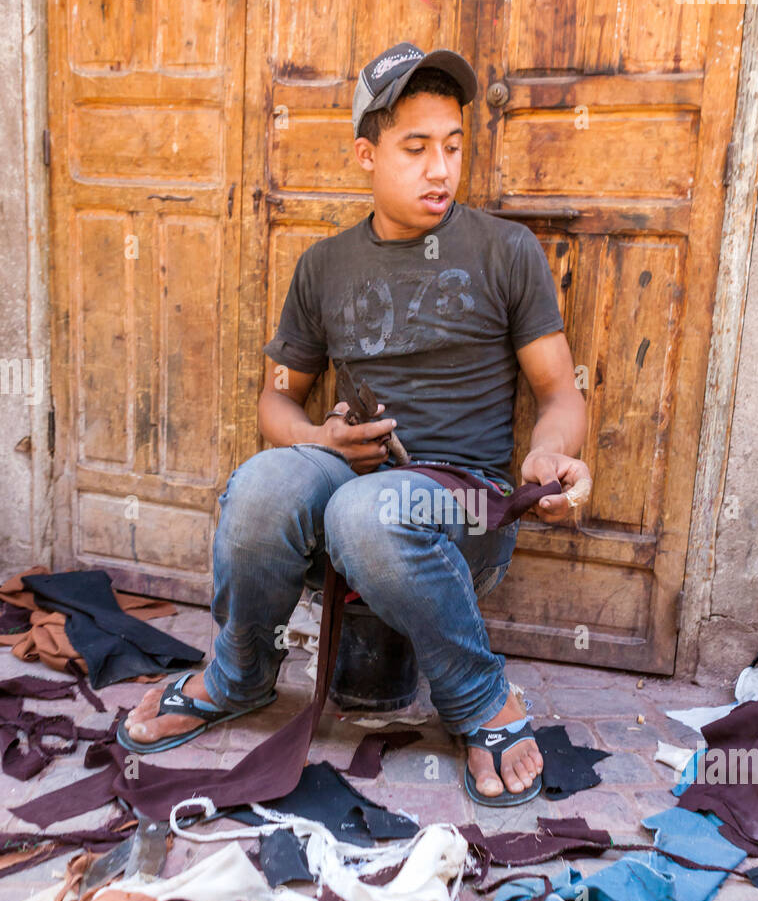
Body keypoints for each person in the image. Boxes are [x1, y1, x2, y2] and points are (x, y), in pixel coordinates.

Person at [119, 42, 590, 805]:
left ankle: (481, 700)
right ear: (366, 155)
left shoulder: (506, 252)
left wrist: (547, 453)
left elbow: (561, 393)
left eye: (453, 146)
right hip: (352, 486)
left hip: (462, 505)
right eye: (415, 149)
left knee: (368, 510)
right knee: (263, 486)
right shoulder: (324, 267)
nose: (440, 169)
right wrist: (319, 441)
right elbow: (277, 400)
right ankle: (239, 676)